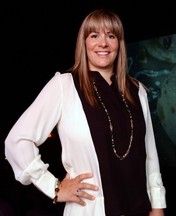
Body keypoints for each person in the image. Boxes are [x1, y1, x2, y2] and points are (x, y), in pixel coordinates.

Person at [4, 8, 166, 216]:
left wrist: (158, 205)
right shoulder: (64, 86)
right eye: (94, 35)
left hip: (141, 210)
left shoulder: (138, 90)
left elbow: (150, 154)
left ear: (119, 44)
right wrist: (54, 187)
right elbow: (17, 140)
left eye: (111, 36)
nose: (103, 43)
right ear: (84, 42)